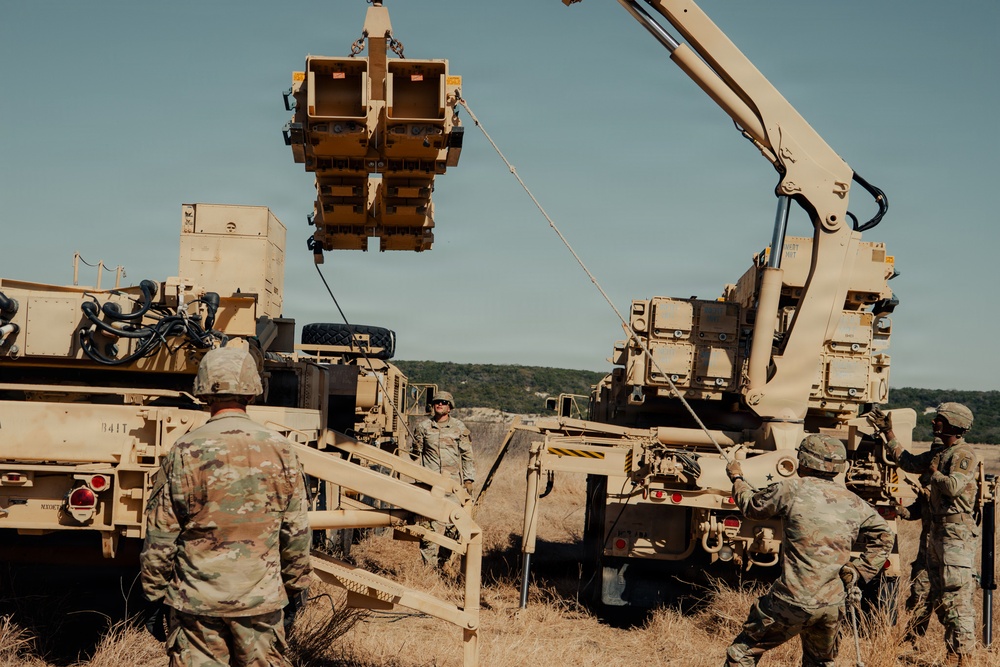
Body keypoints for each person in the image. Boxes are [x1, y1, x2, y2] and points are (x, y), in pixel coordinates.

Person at [140, 347, 313, 667]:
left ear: (204, 388)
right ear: (252, 388)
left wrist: (153, 595)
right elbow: (297, 533)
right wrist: (296, 589)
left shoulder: (185, 448)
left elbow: (161, 533)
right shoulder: (280, 449)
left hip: (196, 605)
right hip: (260, 602)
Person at [723, 434, 893, 667]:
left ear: (803, 460)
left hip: (792, 600)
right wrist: (859, 570)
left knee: (742, 654)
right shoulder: (855, 501)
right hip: (832, 606)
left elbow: (752, 507)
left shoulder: (791, 488)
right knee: (820, 662)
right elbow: (885, 536)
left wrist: (737, 477)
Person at [869, 402, 980, 666]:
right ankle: (938, 650)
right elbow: (906, 461)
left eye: (939, 419)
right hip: (935, 534)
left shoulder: (962, 454)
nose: (933, 423)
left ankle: (963, 656)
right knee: (932, 595)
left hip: (955, 538)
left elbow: (953, 487)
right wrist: (889, 434)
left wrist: (934, 473)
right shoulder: (939, 452)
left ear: (952, 424)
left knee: (956, 598)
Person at [411, 390, 475, 567]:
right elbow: (414, 454)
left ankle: (443, 561)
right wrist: (415, 446)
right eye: (437, 402)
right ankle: (429, 566)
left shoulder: (459, 428)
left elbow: (467, 455)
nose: (440, 404)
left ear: (450, 407)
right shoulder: (423, 427)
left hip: (452, 484)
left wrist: (469, 480)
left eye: (444, 402)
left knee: (454, 523)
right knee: (425, 524)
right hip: (429, 482)